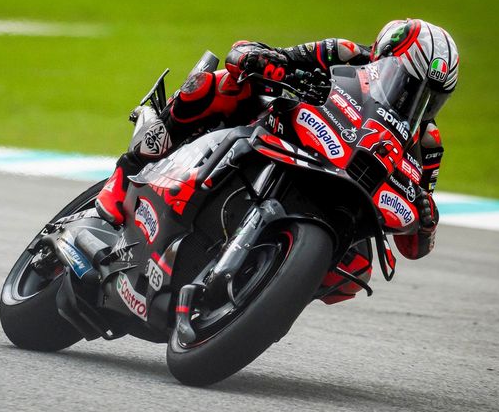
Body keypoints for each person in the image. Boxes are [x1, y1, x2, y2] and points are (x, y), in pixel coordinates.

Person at [95, 18, 459, 304]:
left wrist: (427, 222)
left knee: (356, 267)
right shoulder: (346, 54)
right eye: (409, 84)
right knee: (218, 85)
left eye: (431, 97)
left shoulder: (427, 144)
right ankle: (126, 173)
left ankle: (265, 293)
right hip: (290, 137)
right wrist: (267, 62)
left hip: (342, 197)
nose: (417, 101)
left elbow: (414, 244)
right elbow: (251, 53)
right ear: (383, 56)